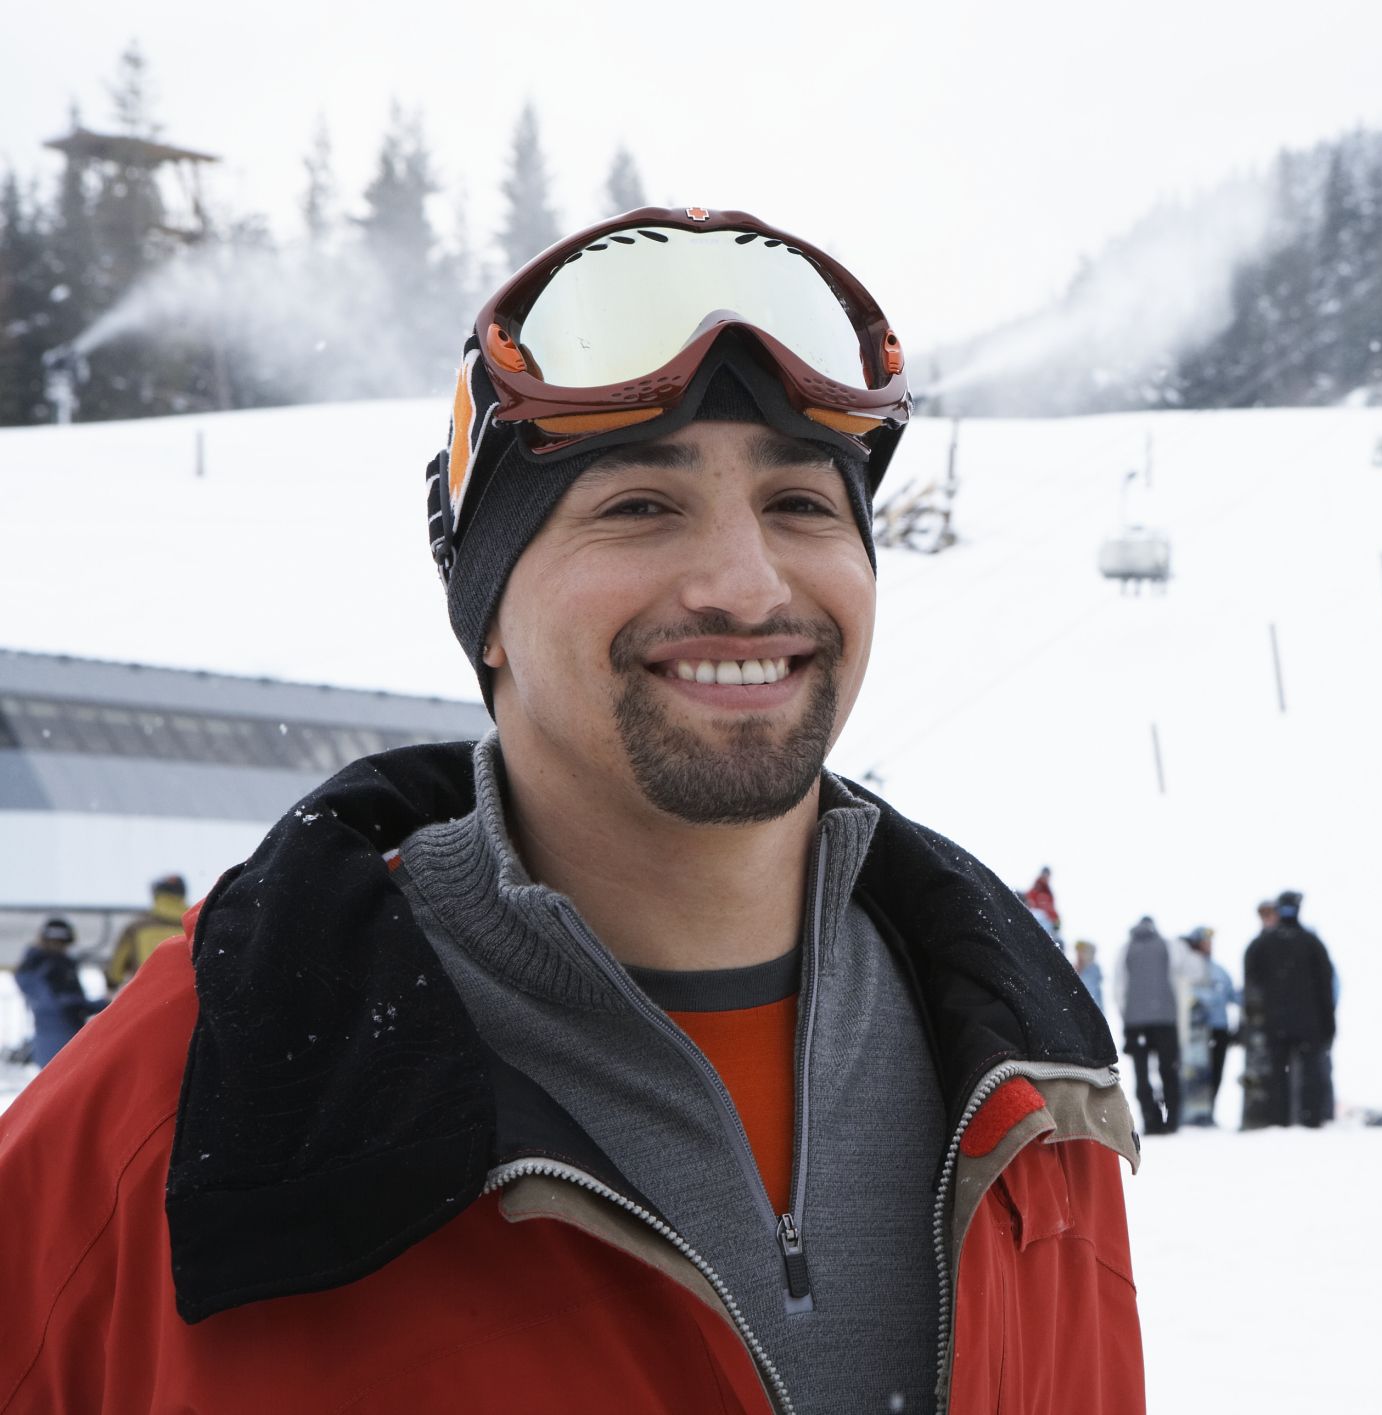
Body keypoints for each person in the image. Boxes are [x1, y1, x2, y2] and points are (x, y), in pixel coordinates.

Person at [0, 207, 1142, 1411]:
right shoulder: (193, 1100)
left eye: (802, 503)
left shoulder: (1032, 1091)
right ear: (486, 611)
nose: (745, 585)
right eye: (639, 505)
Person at [1241, 891, 1337, 1128]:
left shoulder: (1263, 944)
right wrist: (1328, 1023)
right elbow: (1325, 987)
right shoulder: (1311, 943)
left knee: (1280, 1076)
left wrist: (1255, 1022)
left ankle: (1283, 1120)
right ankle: (1306, 1119)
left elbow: (1252, 986)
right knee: (1304, 1074)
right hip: (1304, 1023)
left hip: (1279, 1023)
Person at [1114, 916, 1183, 1136]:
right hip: (1165, 1020)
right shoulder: (1168, 946)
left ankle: (1150, 1120)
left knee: (1141, 1074)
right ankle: (1171, 1120)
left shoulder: (1126, 949)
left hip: (1137, 1023)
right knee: (1168, 1072)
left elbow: (1119, 988)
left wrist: (1128, 1018)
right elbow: (1177, 981)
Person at [13, 918, 107, 1067]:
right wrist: (102, 1003)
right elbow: (61, 1003)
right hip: (63, 1036)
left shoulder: (34, 966)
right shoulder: (52, 966)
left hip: (47, 1037)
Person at [1182, 927, 1239, 1124]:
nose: (1208, 946)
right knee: (1196, 1074)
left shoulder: (1219, 970)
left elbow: (1233, 995)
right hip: (1197, 1033)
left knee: (1216, 1073)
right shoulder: (1188, 968)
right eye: (1204, 941)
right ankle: (1192, 1113)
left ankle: (1209, 1111)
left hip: (1219, 1029)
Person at [104, 873, 188, 989]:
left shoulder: (137, 928)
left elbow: (114, 974)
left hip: (148, 996)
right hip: (189, 998)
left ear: (156, 894)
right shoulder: (196, 925)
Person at [1022, 865, 1061, 938]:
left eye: (1047, 875)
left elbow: (1051, 910)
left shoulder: (1049, 894)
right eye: (1044, 874)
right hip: (1034, 922)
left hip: (1047, 925)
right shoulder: (1034, 890)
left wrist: (1057, 920)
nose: (1046, 877)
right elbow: (1028, 903)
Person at [1074, 939, 1106, 1015]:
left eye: (1081, 952)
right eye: (1077, 952)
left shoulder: (1092, 972)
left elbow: (1091, 995)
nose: (1078, 955)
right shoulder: (1075, 969)